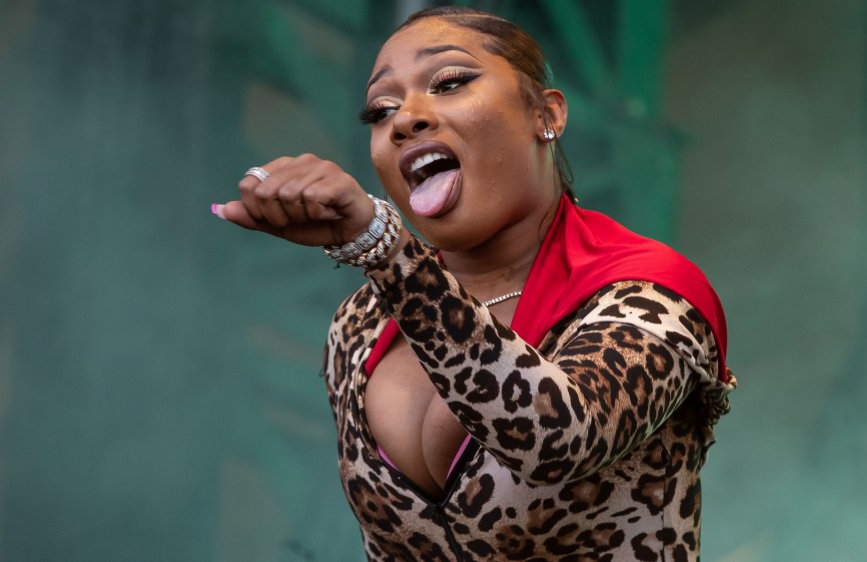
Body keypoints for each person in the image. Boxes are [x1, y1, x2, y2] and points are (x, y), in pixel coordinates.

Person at [212, 6, 736, 561]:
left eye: (449, 82)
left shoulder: (653, 291)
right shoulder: (360, 323)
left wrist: (384, 247)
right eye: (381, 110)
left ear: (546, 114)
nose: (404, 119)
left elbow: (558, 440)